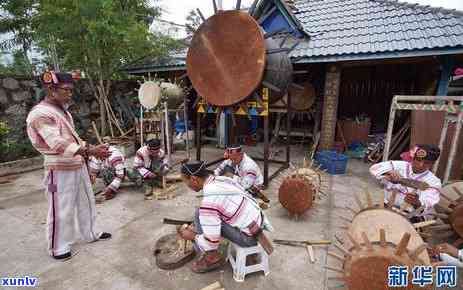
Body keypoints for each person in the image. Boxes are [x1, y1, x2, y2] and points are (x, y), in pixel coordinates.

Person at [26, 70, 112, 261]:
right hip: (58, 169)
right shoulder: (40, 114)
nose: (70, 94)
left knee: (87, 202)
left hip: (77, 164)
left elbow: (71, 139)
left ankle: (91, 233)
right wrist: (91, 151)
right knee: (60, 208)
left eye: (71, 90)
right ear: (51, 89)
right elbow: (57, 143)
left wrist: (91, 149)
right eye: (66, 90)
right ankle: (58, 247)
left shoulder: (61, 111)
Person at [178, 161, 273, 273]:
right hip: (257, 226)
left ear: (194, 179)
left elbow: (211, 243)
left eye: (186, 182)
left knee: (201, 214)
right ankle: (246, 250)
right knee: (201, 213)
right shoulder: (221, 179)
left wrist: (193, 236)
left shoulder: (209, 202)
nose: (188, 186)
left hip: (250, 238)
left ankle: (212, 258)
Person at [369, 144, 441, 221]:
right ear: (413, 158)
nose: (421, 165)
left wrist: (417, 202)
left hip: (410, 216)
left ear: (432, 164)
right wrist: (388, 173)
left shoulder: (433, 182)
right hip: (386, 207)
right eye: (418, 160)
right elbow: (374, 168)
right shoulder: (399, 165)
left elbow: (429, 202)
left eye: (426, 163)